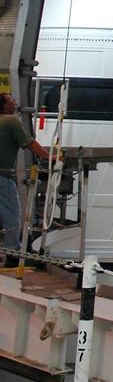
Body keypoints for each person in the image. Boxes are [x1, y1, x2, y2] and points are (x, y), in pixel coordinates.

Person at [0, 94, 49, 260]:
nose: (14, 102)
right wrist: (51, 157)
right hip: (3, 177)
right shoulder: (11, 121)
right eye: (11, 100)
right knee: (11, 216)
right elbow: (30, 144)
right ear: (5, 106)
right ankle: (14, 254)